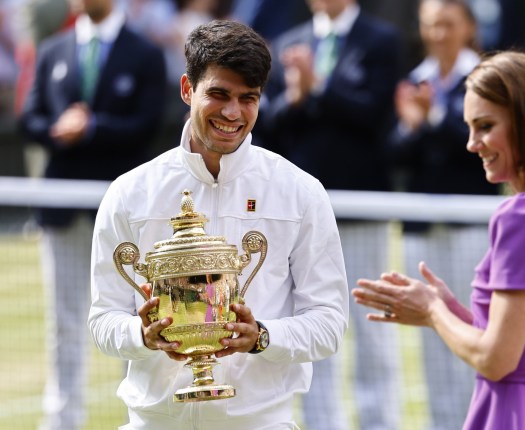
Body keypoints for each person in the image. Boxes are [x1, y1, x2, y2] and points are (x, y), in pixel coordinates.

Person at [87, 19, 349, 430]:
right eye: (219, 94)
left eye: (249, 98)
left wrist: (262, 336)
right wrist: (142, 335)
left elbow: (329, 323)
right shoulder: (130, 192)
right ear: (187, 89)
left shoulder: (300, 191)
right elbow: (103, 319)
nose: (232, 112)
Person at [353, 51, 525, 429]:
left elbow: (497, 360)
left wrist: (433, 311)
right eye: (469, 127)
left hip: (513, 415)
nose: (471, 143)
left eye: (484, 126)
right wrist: (450, 312)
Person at [18, 0, 167, 428]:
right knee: (63, 321)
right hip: (62, 208)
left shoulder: (144, 52)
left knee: (136, 318)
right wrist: (58, 127)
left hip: (125, 214)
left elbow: (148, 123)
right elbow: (30, 117)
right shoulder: (53, 50)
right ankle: (62, 418)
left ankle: (137, 415)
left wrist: (94, 127)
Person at [260, 0, 403, 428]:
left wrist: (320, 87)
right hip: (301, 211)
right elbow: (270, 122)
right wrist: (297, 97)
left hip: (361, 205)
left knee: (370, 327)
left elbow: (375, 114)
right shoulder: (288, 42)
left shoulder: (381, 39)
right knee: (309, 318)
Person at [388, 1, 499, 428]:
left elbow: (474, 147)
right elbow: (396, 154)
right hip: (422, 225)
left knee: (474, 327)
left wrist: (432, 117)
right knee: (434, 337)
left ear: (468, 27)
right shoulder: (416, 78)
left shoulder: (485, 80)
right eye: (431, 25)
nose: (438, 33)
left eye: (447, 24)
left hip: (470, 224)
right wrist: (412, 126)